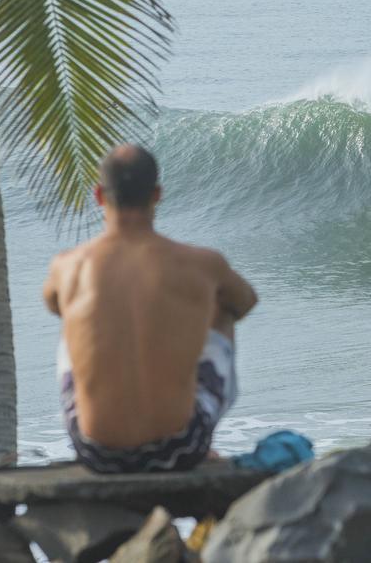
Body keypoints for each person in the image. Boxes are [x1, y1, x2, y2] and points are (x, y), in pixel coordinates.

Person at [43, 144, 258, 473]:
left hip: (97, 453)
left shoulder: (67, 266)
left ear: (99, 196)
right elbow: (244, 302)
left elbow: (53, 303)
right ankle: (187, 417)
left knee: (73, 322)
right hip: (182, 448)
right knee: (221, 309)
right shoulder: (202, 264)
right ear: (157, 194)